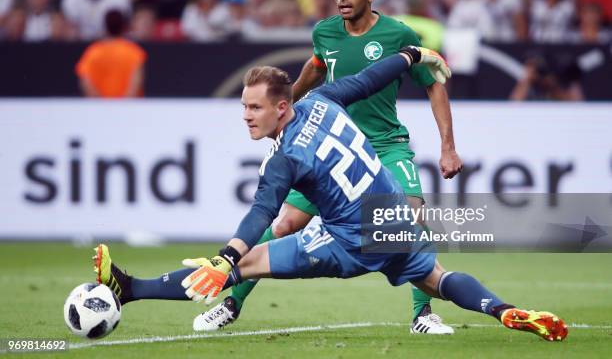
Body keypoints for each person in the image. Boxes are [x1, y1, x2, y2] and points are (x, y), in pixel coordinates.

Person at [93, 47, 568, 343]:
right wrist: (413, 56)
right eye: (243, 106)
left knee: (246, 262)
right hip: (391, 219)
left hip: (350, 240)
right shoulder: (321, 100)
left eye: (255, 108)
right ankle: (503, 310)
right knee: (437, 280)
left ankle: (130, 289)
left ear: (283, 107)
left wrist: (225, 256)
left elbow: (263, 210)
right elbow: (371, 79)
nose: (245, 116)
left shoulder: (285, 159)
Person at [207, 0, 462, 335]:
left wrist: (448, 147)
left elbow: (433, 82)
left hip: (383, 145)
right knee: (284, 225)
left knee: (411, 216)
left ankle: (422, 314)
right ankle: (232, 301)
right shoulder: (325, 32)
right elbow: (314, 68)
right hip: (330, 149)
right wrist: (284, 111)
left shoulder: (397, 34)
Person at [75, 9, 147, 98]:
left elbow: (86, 82)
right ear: (123, 27)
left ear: (105, 26)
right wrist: (123, 106)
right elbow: (136, 83)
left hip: (101, 109)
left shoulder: (93, 52)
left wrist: (103, 105)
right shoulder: (133, 52)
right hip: (127, 109)